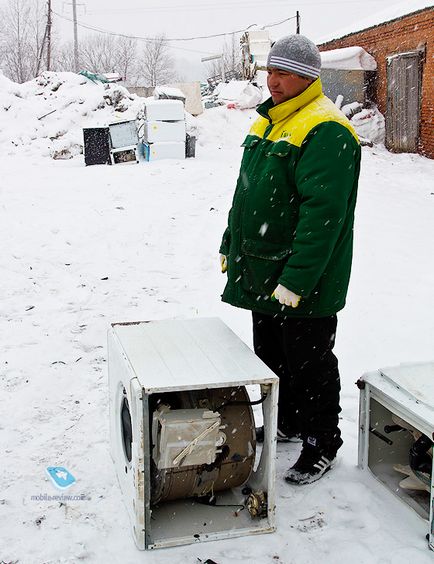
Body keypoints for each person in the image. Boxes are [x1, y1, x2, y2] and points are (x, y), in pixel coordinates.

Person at [219, 34, 361, 485]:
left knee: (310, 360)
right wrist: (230, 241)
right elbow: (248, 193)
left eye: (282, 73)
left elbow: (324, 216)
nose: (272, 81)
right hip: (264, 267)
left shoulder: (325, 128)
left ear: (308, 77)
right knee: (272, 355)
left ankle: (322, 439)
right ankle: (290, 421)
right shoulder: (269, 122)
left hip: (306, 277)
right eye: (269, 71)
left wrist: (297, 280)